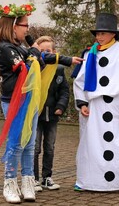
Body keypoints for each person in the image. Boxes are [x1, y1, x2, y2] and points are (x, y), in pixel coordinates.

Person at [0, 3, 83, 204]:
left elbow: (41, 56)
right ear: (13, 26)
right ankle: (9, 183)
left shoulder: (21, 47)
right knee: (16, 144)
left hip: (30, 101)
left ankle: (28, 181)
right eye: (25, 25)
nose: (28, 29)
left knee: (29, 144)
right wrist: (34, 51)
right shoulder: (5, 48)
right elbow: (25, 67)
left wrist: (66, 59)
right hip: (14, 102)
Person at [73, 13, 119, 193]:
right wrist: (82, 103)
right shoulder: (90, 54)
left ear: (113, 34)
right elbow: (79, 81)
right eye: (97, 34)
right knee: (91, 144)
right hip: (95, 107)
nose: (99, 37)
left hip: (117, 106)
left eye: (102, 33)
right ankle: (87, 180)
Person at [34, 36, 69, 191]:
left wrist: (61, 106)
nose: (45, 54)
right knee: (34, 148)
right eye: (42, 51)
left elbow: (64, 91)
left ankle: (46, 177)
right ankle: (32, 178)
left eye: (48, 51)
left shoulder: (59, 70)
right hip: (36, 114)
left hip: (52, 114)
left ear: (54, 52)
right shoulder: (34, 68)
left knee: (49, 147)